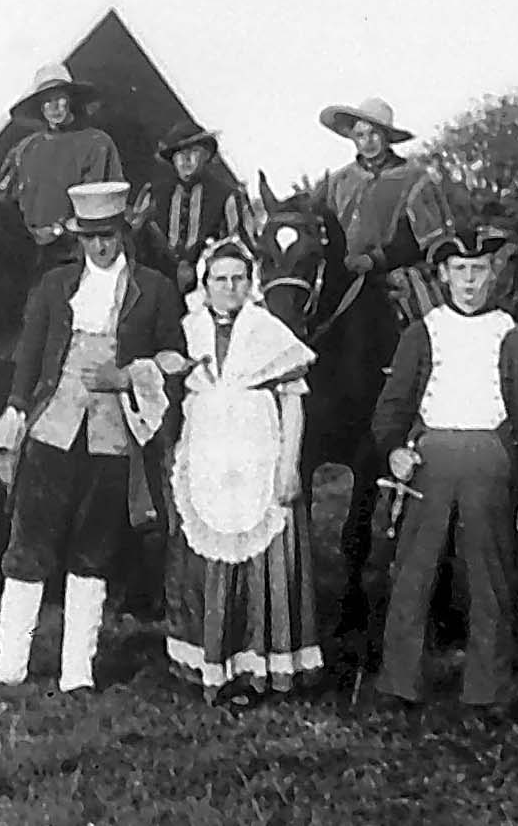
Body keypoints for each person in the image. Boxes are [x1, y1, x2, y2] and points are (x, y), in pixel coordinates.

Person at [0, 181, 187, 693]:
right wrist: (15, 409)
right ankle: (9, 665)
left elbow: (174, 357)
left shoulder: (155, 290)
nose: (100, 246)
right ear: (78, 237)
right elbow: (29, 357)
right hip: (53, 431)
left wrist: (128, 376)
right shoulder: (55, 287)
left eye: (109, 235)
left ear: (124, 232)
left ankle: (78, 671)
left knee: (94, 550)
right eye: (90, 237)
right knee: (29, 544)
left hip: (114, 437)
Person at [371, 226, 518, 710]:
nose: (469, 282)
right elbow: (391, 408)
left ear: (493, 275)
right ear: (444, 276)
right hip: (431, 461)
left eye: (478, 270)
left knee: (489, 576)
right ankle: (399, 681)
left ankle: (487, 688)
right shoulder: (423, 331)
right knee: (413, 572)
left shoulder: (512, 337)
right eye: (459, 271)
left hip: (490, 461)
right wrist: (393, 449)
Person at [158, 239, 321, 703]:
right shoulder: (185, 331)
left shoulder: (268, 332)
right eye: (220, 280)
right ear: (205, 286)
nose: (229, 288)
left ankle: (260, 667)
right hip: (207, 454)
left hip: (260, 457)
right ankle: (211, 662)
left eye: (238, 279)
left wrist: (289, 467)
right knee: (204, 553)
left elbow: (293, 403)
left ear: (251, 284)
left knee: (261, 558)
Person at [313, 96, 451, 328]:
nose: (368, 142)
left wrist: (374, 260)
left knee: (424, 319)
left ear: (387, 137)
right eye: (360, 135)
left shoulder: (414, 177)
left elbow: (425, 239)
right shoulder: (338, 182)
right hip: (343, 273)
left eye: (374, 134)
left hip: (394, 271)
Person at [0, 63, 121, 270]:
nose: (54, 107)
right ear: (40, 108)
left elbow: (100, 204)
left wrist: (58, 231)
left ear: (71, 100)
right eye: (46, 101)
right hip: (30, 257)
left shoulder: (97, 144)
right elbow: (4, 203)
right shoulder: (24, 150)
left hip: (78, 255)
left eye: (59, 98)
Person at [140, 121, 252, 295]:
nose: (186, 160)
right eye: (179, 154)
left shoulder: (227, 196)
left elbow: (240, 246)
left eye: (194, 152)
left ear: (206, 155)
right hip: (158, 287)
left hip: (208, 288)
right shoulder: (154, 194)